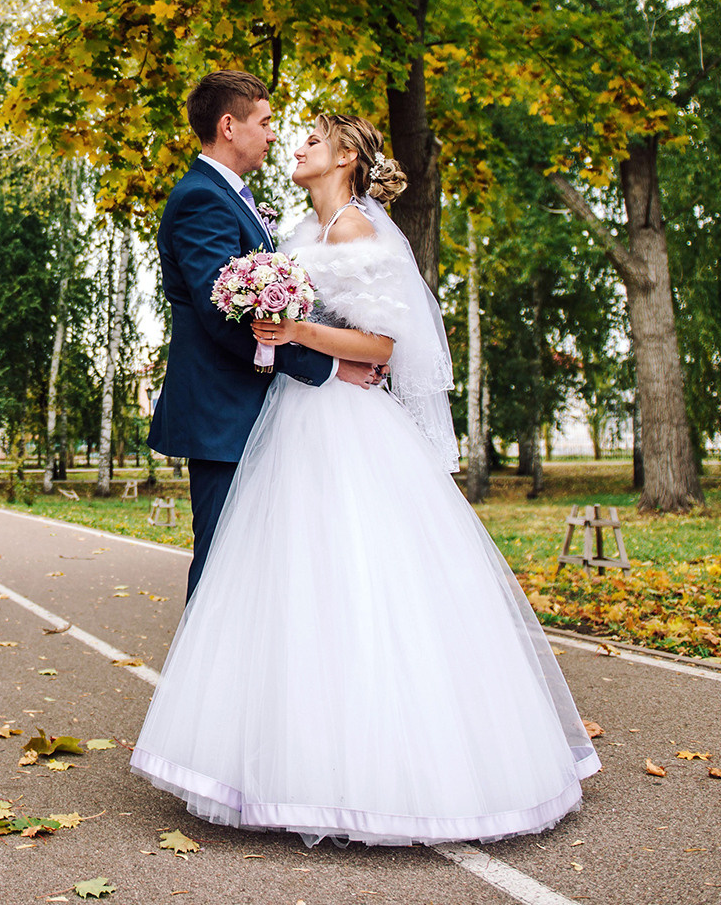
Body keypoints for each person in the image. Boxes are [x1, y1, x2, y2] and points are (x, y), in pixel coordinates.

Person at [132, 111, 600, 847]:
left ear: (346, 156)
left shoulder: (358, 232)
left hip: (344, 422)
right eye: (291, 135)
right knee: (287, 583)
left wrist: (299, 332)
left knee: (362, 575)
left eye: (312, 140)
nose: (295, 145)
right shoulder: (296, 234)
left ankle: (383, 768)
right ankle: (278, 754)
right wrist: (290, 333)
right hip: (289, 417)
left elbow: (382, 344)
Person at [148, 71, 383, 599]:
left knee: (258, 573)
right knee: (221, 571)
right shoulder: (202, 199)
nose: (276, 135)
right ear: (229, 126)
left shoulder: (232, 197)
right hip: (225, 417)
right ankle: (201, 660)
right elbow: (224, 318)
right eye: (266, 121)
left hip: (263, 414)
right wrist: (329, 366)